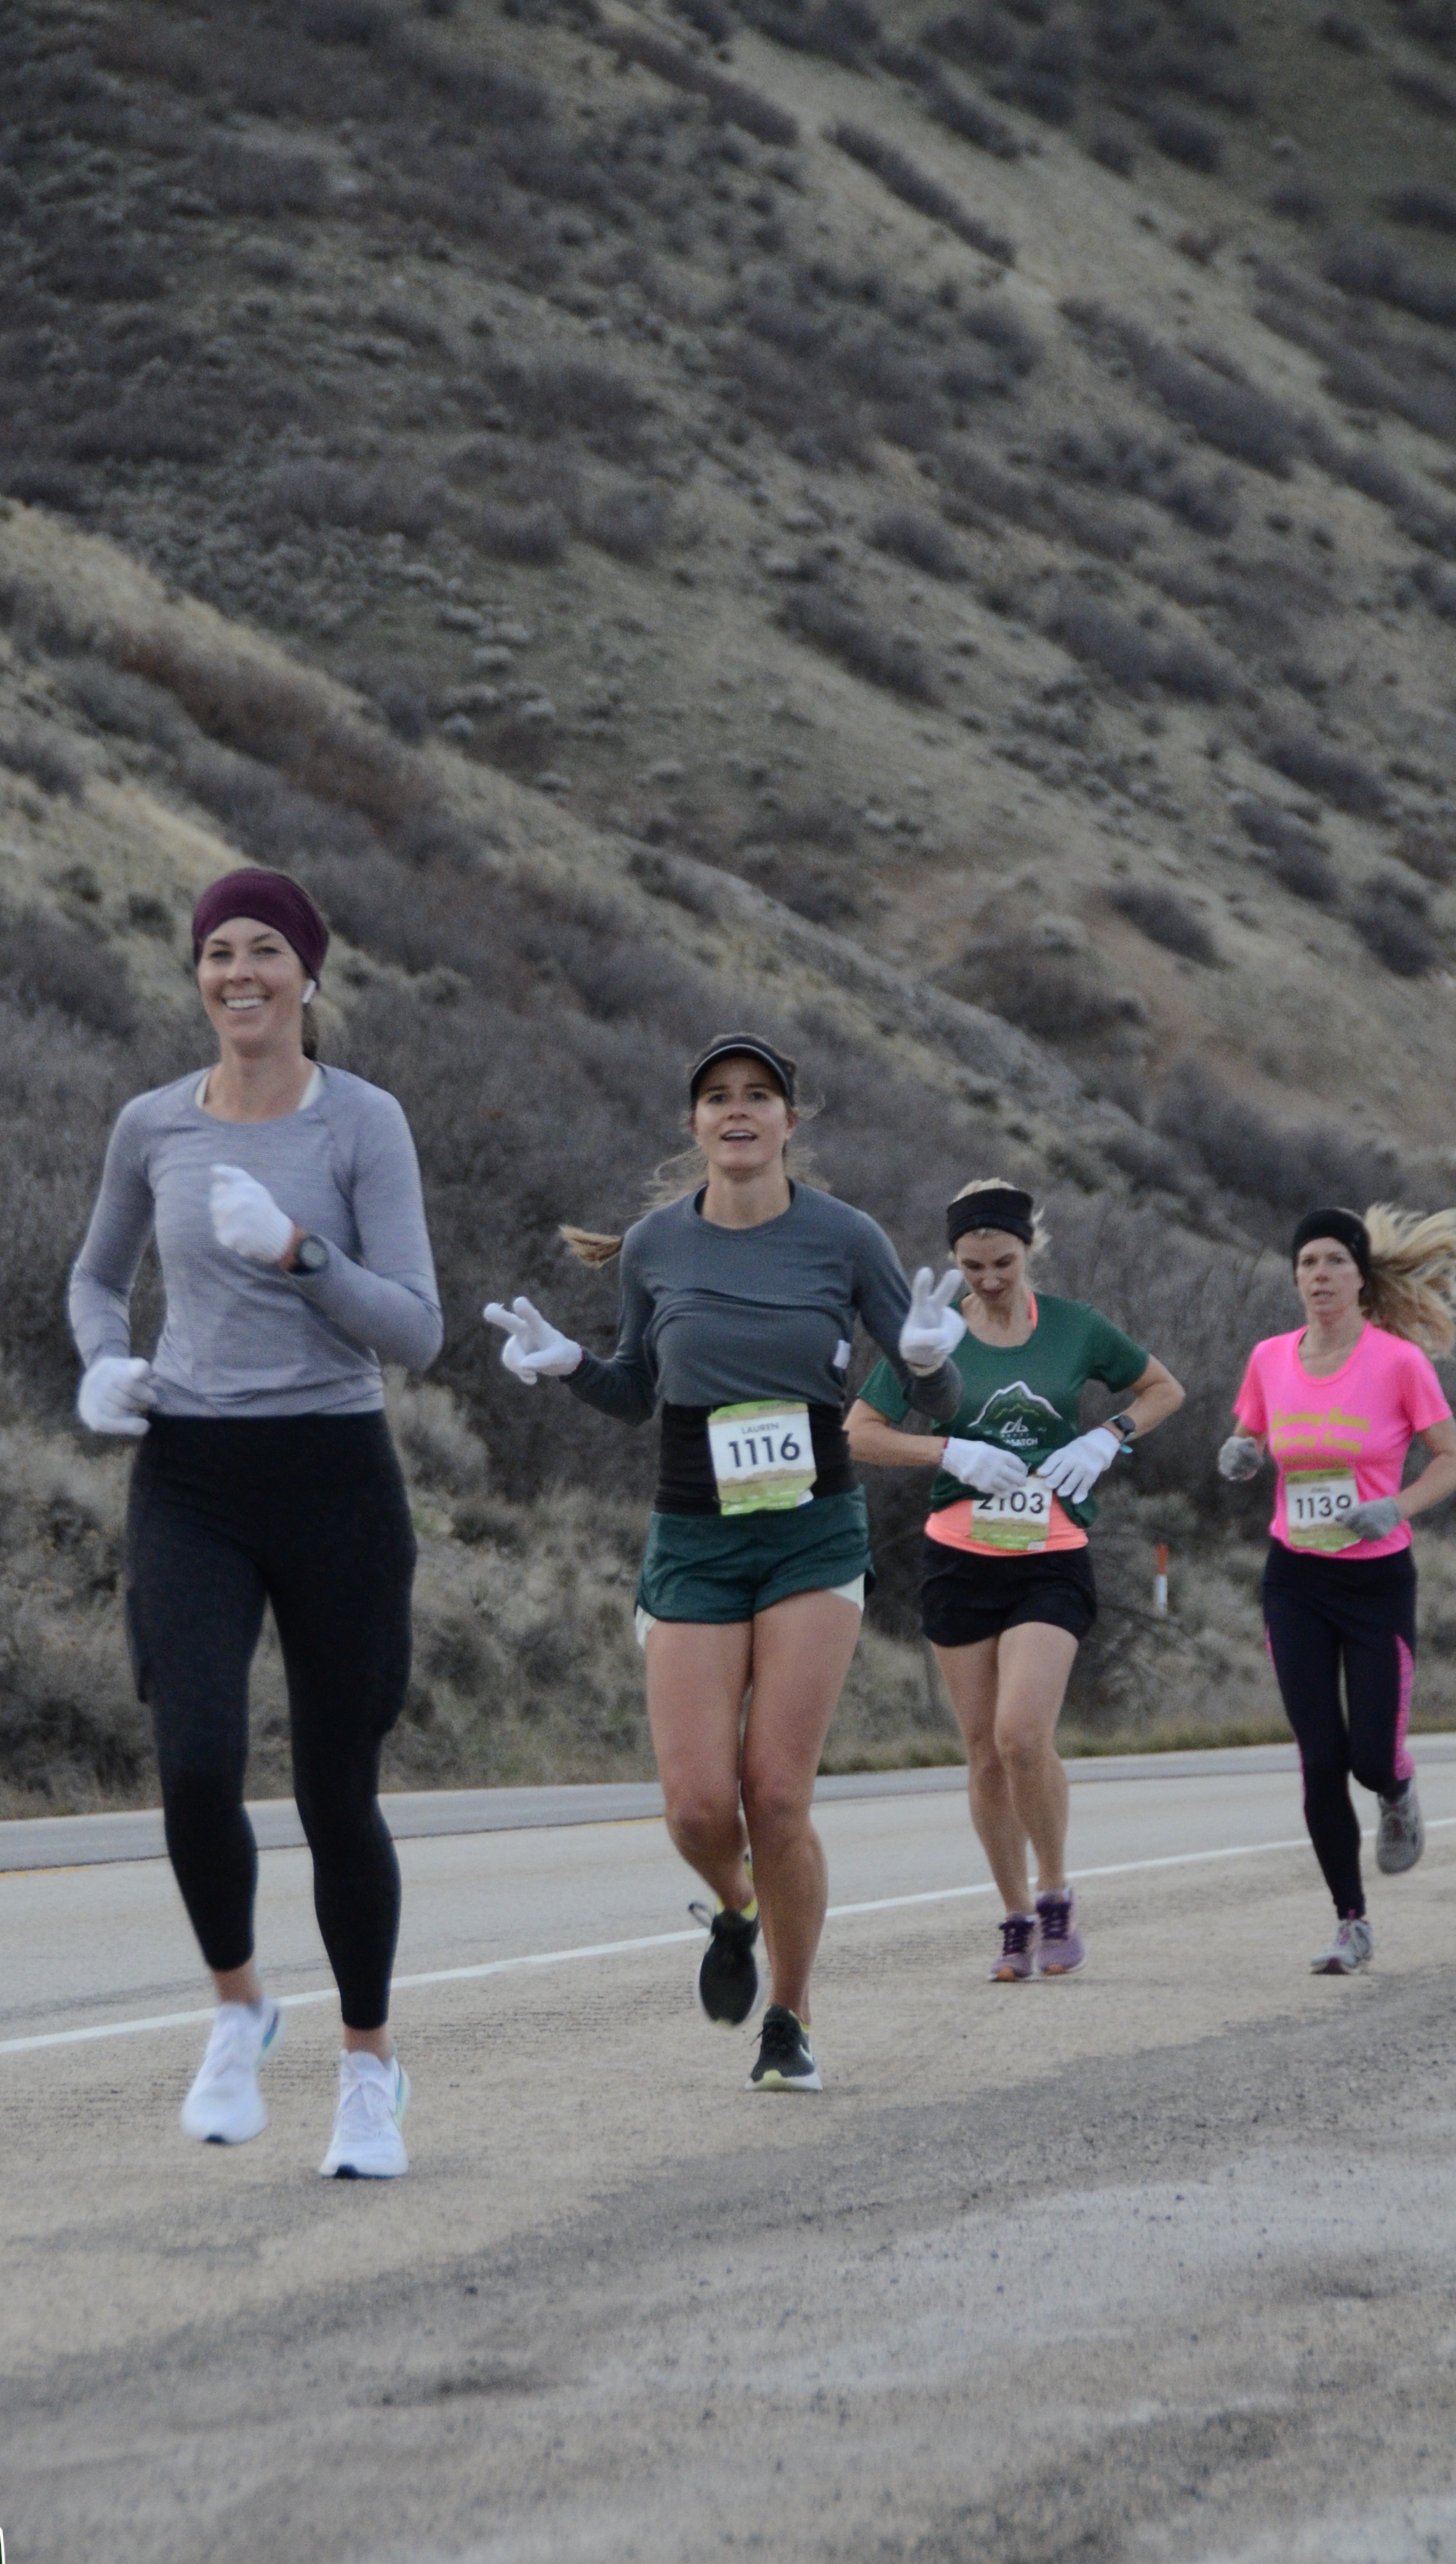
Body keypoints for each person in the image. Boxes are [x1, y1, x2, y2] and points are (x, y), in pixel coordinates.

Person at [482, 1036, 966, 2093]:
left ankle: (789, 2018)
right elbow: (634, 1389)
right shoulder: (658, 1244)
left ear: (791, 1120)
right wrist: (570, 1365)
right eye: (716, 1098)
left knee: (776, 1794)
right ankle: (739, 1908)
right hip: (695, 1535)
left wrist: (930, 1364)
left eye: (758, 1096)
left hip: (811, 1534)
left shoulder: (846, 1238)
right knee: (700, 1809)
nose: (737, 1111)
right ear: (694, 1124)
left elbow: (936, 1394)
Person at [69, 866, 442, 2177]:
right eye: (218, 951)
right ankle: (238, 2008)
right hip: (192, 1476)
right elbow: (96, 1277)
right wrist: (101, 1363)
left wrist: (299, 1251)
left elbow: (417, 1329)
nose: (240, 972)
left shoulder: (362, 1124)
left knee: (339, 1795)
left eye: (265, 950)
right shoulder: (152, 1126)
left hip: (335, 1475)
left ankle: (367, 2070)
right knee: (193, 1763)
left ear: (307, 974)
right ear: (198, 976)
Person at [848, 1180, 1183, 1982]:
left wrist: (1109, 1435)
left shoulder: (1075, 1328)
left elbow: (1164, 1389)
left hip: (1050, 1555)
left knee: (1022, 1735)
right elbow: (858, 1432)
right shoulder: (931, 1335)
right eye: (973, 1266)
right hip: (958, 1559)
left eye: (1003, 1262)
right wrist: (948, 1451)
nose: (990, 1279)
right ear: (953, 1261)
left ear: (1029, 1249)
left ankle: (1055, 1890)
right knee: (984, 1755)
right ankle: (1013, 1915)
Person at [1221, 1202, 1456, 1975]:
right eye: (1307, 1263)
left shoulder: (1398, 1362)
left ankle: (1396, 1788)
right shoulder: (1269, 1358)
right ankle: (1351, 1922)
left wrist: (1399, 1505)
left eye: (1334, 1261)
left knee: (1369, 1756)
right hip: (1296, 1578)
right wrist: (1240, 1453)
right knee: (1320, 1756)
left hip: (1376, 1581)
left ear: (1360, 1276)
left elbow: (1449, 1457)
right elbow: (1251, 1434)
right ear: (1295, 1278)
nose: (1319, 1276)